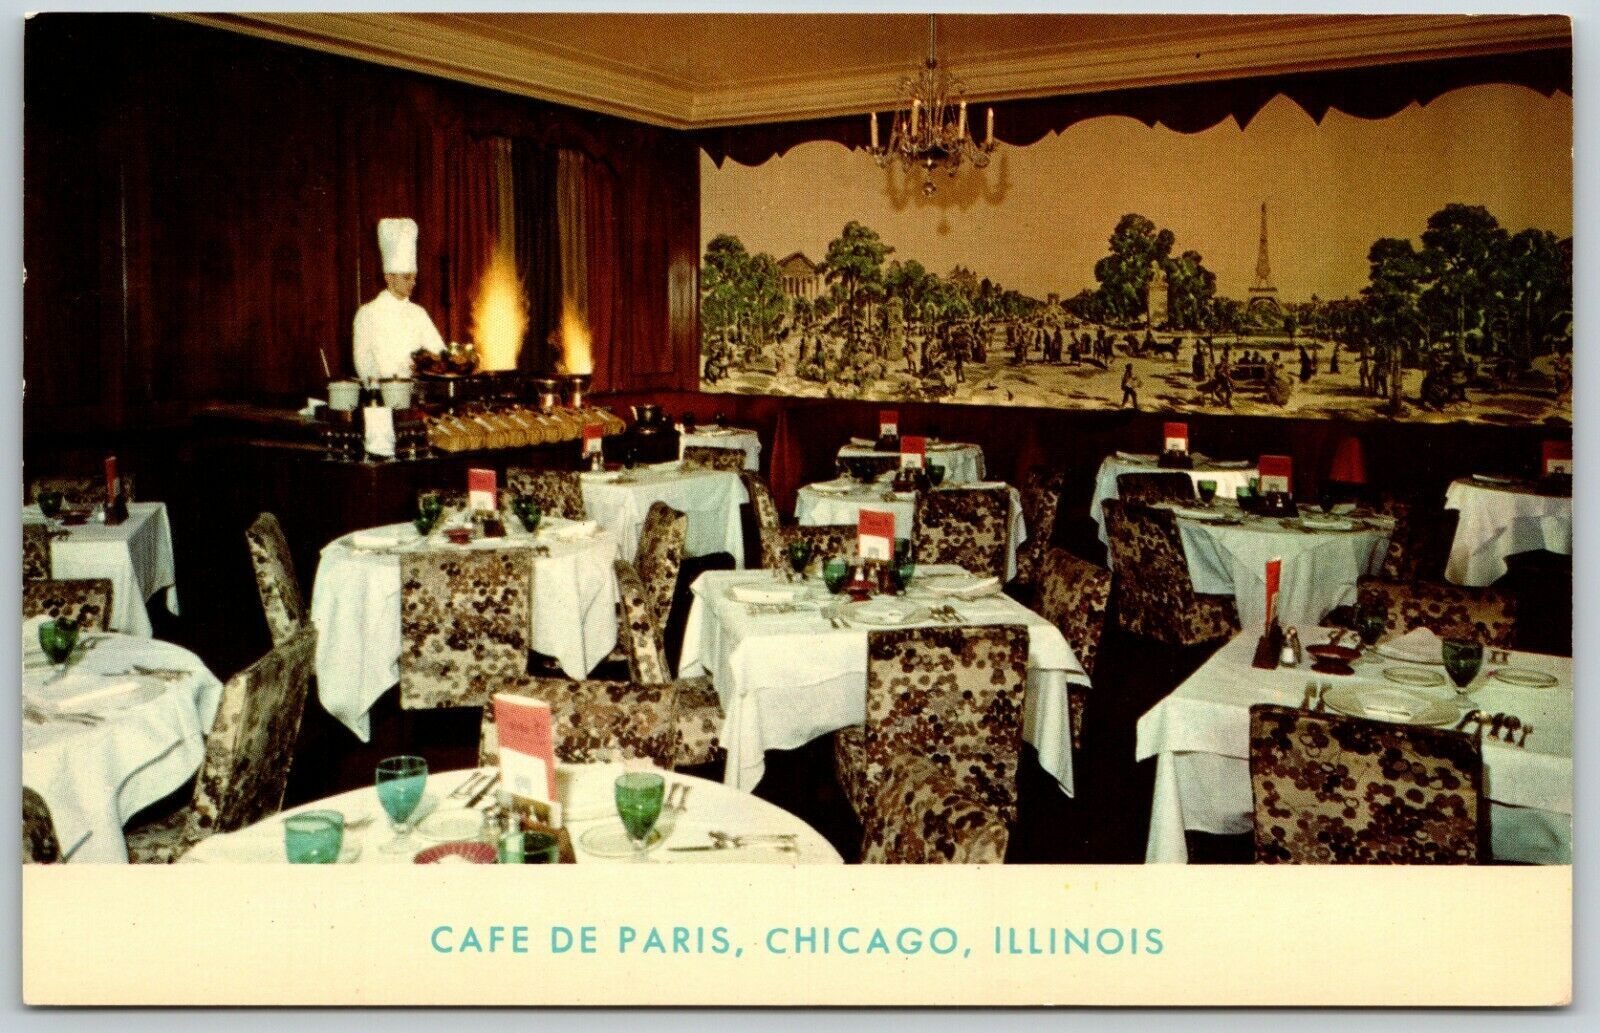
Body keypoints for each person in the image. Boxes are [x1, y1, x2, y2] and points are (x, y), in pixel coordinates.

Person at [352, 218, 445, 382]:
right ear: (389, 277)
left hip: (419, 392)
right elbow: (364, 365)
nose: (413, 283)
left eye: (414, 277)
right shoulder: (367, 314)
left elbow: (439, 354)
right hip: (383, 393)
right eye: (407, 277)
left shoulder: (418, 313)